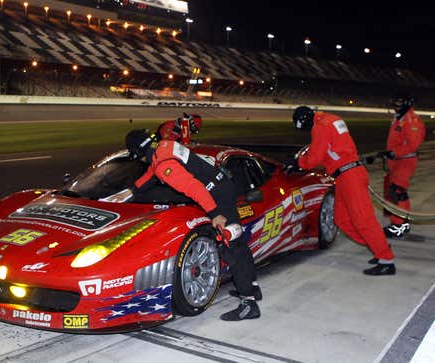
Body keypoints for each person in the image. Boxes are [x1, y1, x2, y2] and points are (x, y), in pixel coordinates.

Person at [123, 129, 261, 321]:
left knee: (232, 247)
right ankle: (252, 287)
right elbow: (151, 173)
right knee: (238, 244)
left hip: (215, 196)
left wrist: (214, 213)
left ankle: (249, 303)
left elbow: (195, 188)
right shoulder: (164, 147)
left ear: (137, 153)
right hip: (222, 186)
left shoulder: (163, 165)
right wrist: (132, 191)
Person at [287, 106, 395, 275]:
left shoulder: (320, 126)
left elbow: (315, 157)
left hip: (349, 175)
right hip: (346, 175)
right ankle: (379, 246)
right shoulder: (331, 119)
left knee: (363, 220)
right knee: (341, 219)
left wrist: (297, 162)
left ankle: (386, 260)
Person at [381, 94, 425, 239]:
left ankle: (398, 225)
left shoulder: (411, 120)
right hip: (397, 160)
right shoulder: (400, 117)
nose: (396, 105)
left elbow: (413, 145)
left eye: (400, 102)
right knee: (397, 191)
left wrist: (395, 152)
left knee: (397, 191)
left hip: (406, 160)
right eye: (395, 101)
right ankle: (403, 222)